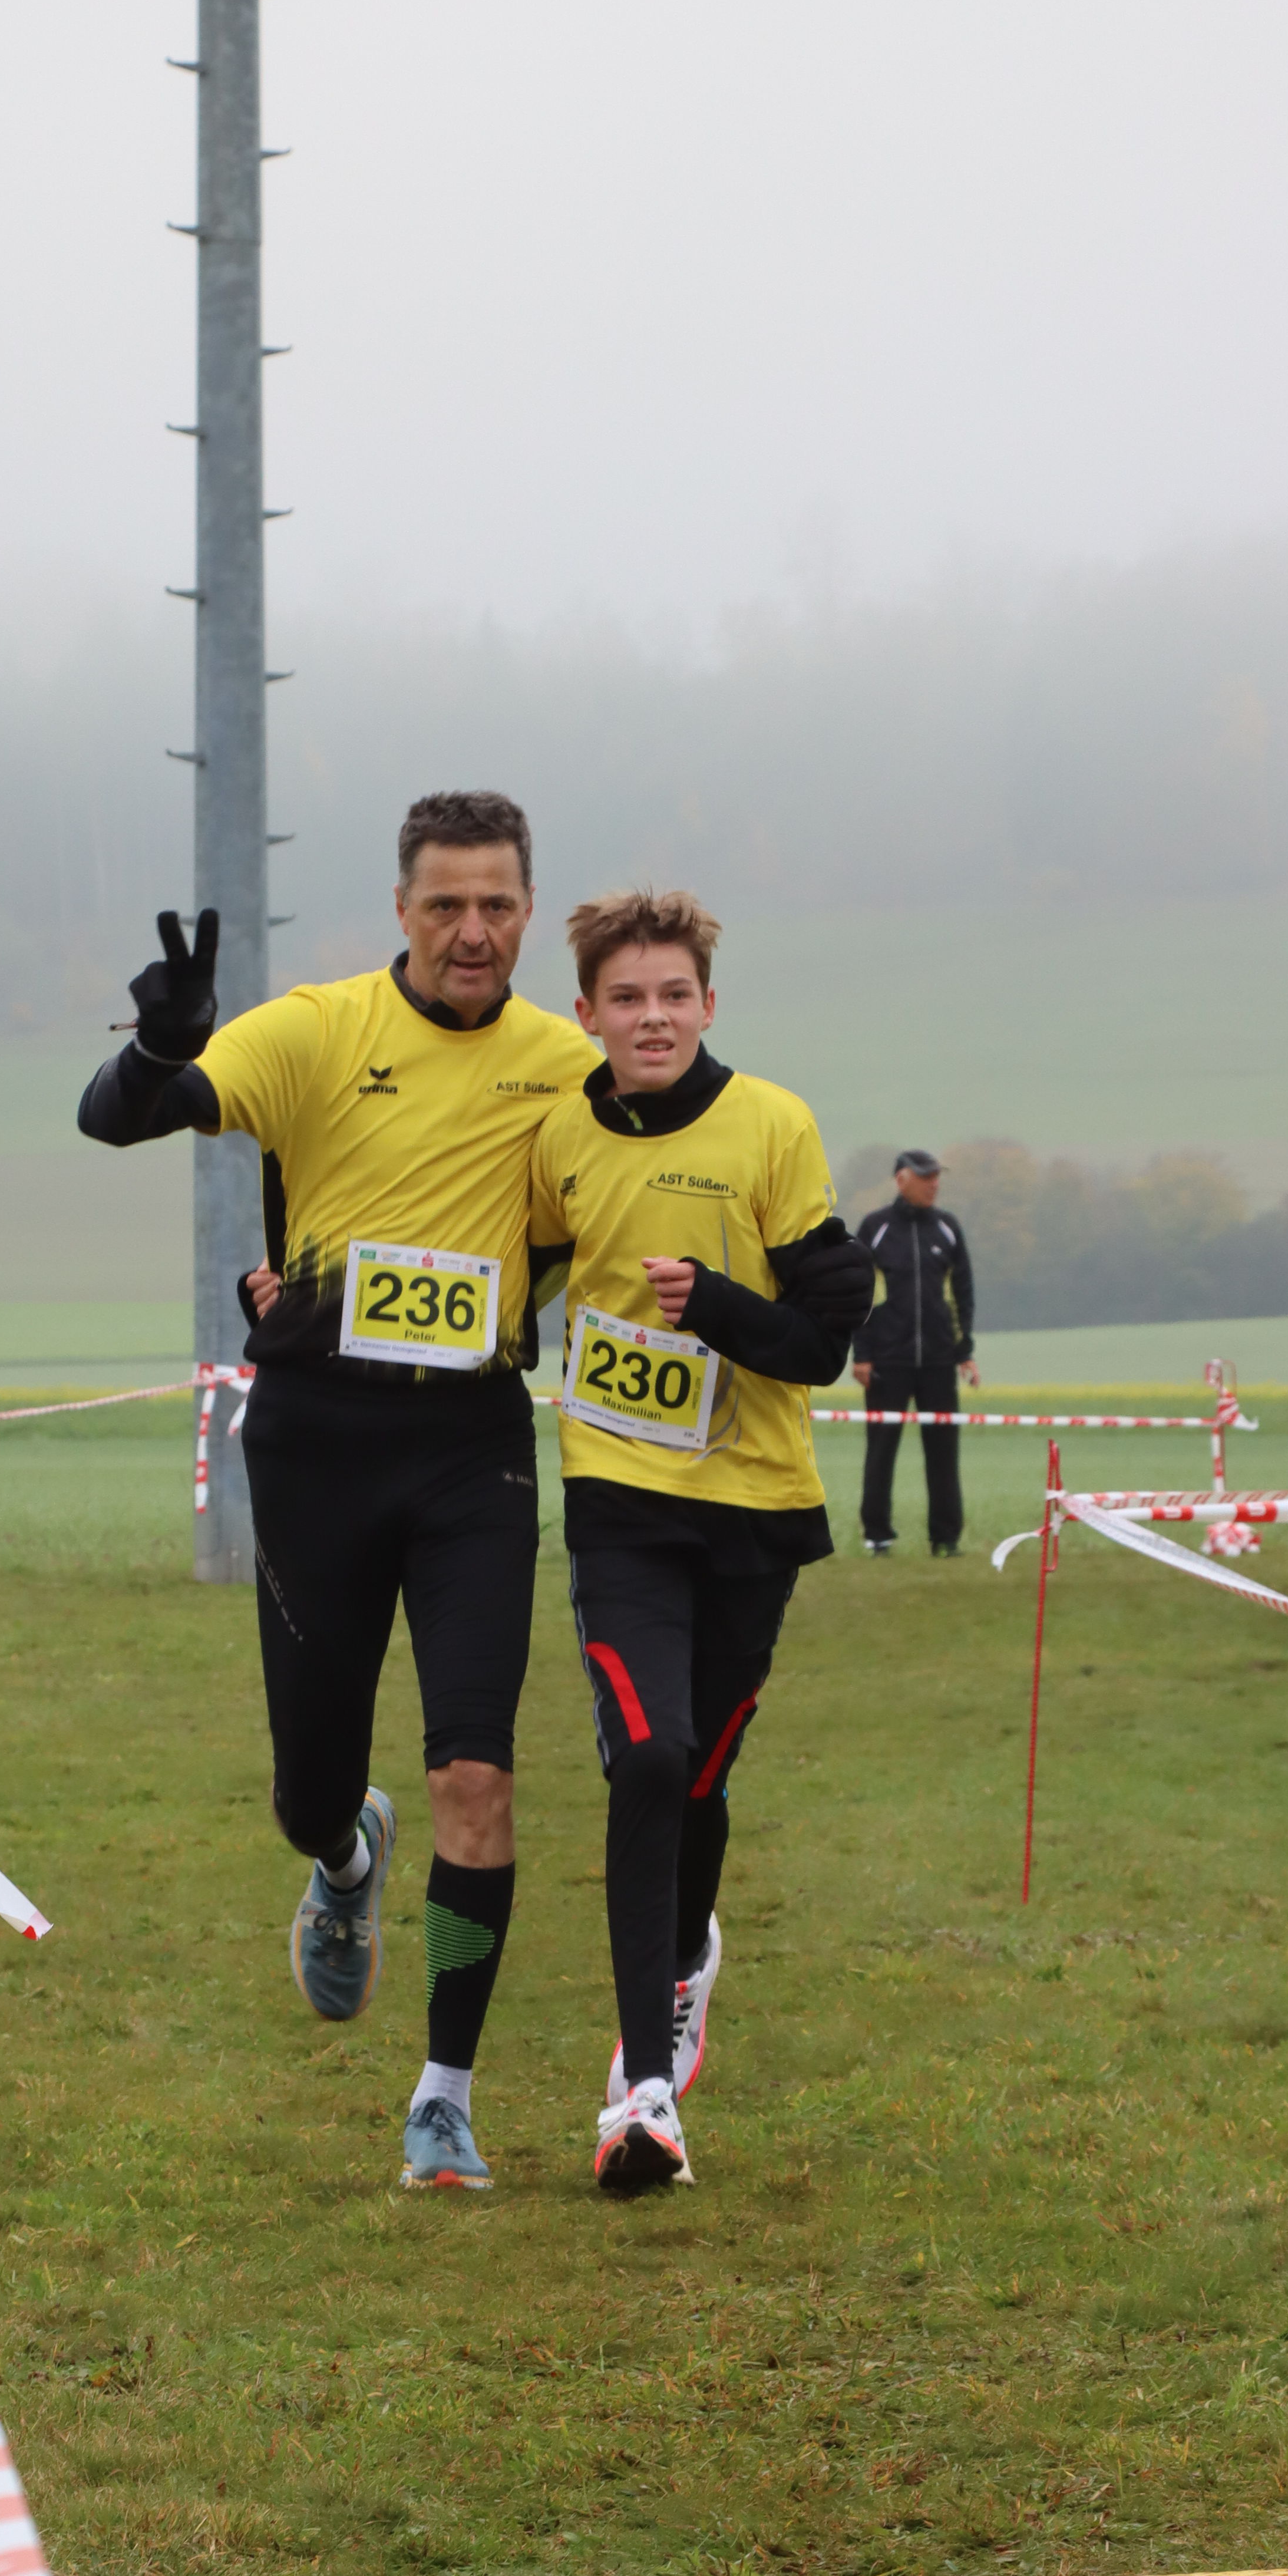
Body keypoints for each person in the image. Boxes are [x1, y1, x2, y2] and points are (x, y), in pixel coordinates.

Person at [77, 790, 598, 2192]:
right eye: (446, 904)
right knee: (308, 1789)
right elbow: (115, 1120)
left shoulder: (569, 1070)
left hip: (472, 1446)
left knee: (475, 1772)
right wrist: (161, 1044)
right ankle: (345, 1858)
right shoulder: (315, 1031)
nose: (472, 930)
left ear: (528, 912)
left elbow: (631, 1205)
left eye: (497, 904)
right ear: (401, 909)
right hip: (316, 1444)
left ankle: (444, 2096)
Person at [529, 891, 873, 2193]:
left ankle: (684, 1966)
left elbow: (818, 1350)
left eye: (674, 994)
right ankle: (644, 2091)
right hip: (618, 1494)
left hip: (754, 1506)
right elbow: (507, 1285)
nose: (653, 1018)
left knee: (701, 1778)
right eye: (627, 998)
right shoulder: (560, 1135)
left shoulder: (772, 1125)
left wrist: (719, 1305)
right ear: (588, 1014)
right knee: (648, 1756)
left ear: (709, 1005)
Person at [851, 1151, 979, 1557]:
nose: (934, 1184)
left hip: (939, 1362)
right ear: (902, 1179)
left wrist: (964, 1352)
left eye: (937, 1177)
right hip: (886, 1362)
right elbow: (860, 1296)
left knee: (944, 1454)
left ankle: (946, 1539)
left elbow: (962, 1294)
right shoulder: (874, 1229)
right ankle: (878, 1537)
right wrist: (862, 1354)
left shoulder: (948, 1228)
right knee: (880, 1452)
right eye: (926, 1177)